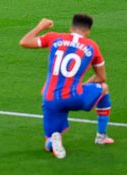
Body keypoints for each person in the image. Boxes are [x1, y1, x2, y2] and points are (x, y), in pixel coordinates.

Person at [19, 14, 114, 159]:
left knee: (49, 140)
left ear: (71, 28)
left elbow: (24, 42)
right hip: (75, 96)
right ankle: (101, 136)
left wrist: (41, 26)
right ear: (88, 31)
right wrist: (80, 87)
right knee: (104, 88)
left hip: (50, 98)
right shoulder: (92, 47)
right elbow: (101, 77)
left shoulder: (54, 37)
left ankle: (53, 142)